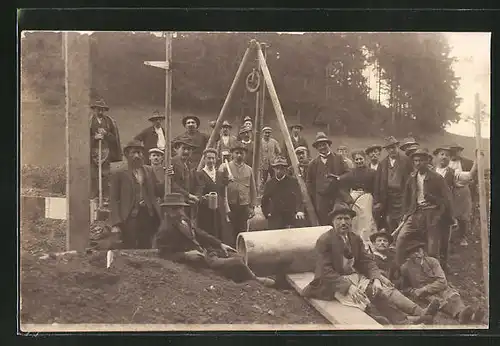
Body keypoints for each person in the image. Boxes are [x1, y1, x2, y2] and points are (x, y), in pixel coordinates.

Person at [302, 203, 440, 326]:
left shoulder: (354, 238)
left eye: (347, 219)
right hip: (330, 283)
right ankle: (384, 322)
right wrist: (348, 287)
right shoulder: (324, 240)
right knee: (362, 300)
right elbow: (325, 271)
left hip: (352, 277)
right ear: (332, 221)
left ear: (351, 221)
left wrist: (376, 278)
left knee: (376, 291)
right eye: (339, 219)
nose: (343, 222)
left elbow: (366, 261)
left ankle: (403, 322)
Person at [153, 193, 275, 287]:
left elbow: (200, 234)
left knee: (236, 255)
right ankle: (256, 280)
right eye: (175, 209)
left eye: (181, 208)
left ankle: (250, 276)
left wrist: (220, 244)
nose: (180, 211)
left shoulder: (184, 219)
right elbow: (164, 254)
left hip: (208, 252)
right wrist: (186, 255)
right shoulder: (165, 230)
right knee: (236, 263)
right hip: (200, 261)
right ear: (168, 210)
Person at [399, 241, 485, 325]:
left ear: (422, 252)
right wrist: (414, 292)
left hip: (440, 288)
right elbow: (405, 288)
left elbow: (442, 282)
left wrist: (425, 288)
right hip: (426, 295)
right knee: (439, 302)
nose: (417, 254)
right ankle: (466, 316)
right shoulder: (405, 268)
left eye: (418, 251)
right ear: (409, 255)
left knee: (452, 296)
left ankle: (468, 315)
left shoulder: (433, 262)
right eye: (413, 252)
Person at [395, 148, 454, 267]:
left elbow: (447, 200)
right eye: (415, 161)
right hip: (416, 213)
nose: (417, 163)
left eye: (421, 160)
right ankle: (399, 269)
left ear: (427, 161)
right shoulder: (412, 178)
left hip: (432, 213)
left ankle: (436, 273)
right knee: (401, 239)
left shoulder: (437, 178)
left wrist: (438, 209)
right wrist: (405, 215)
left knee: (432, 249)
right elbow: (406, 199)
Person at [109, 140, 162, 249]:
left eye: (140, 153)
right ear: (127, 154)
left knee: (146, 246)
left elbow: (159, 191)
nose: (137, 156)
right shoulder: (119, 173)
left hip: (148, 214)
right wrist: (116, 223)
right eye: (134, 152)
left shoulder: (148, 170)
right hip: (129, 218)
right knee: (130, 247)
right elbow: (113, 199)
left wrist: (168, 177)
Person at [306, 132, 350, 226]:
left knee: (339, 220)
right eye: (319, 145)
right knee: (324, 222)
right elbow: (309, 182)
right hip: (321, 199)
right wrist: (315, 196)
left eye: (324, 144)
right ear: (316, 148)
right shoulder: (313, 163)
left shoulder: (338, 158)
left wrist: (339, 178)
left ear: (328, 145)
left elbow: (348, 173)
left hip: (337, 196)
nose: (322, 147)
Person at [373, 136, 413, 234]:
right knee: (389, 221)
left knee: (402, 221)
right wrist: (377, 200)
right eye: (389, 148)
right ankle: (391, 243)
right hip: (388, 198)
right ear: (386, 150)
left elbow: (411, 180)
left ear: (397, 146)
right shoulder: (383, 163)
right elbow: (377, 183)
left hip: (402, 196)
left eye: (393, 147)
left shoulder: (406, 160)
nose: (392, 150)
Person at [338, 150, 377, 247]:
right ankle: (356, 243)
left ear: (365, 159)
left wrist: (376, 201)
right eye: (356, 160)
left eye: (361, 159)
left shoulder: (372, 172)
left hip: (367, 196)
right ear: (353, 161)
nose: (359, 161)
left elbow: (377, 188)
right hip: (354, 197)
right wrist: (348, 199)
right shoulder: (351, 173)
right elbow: (341, 186)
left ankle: (368, 243)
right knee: (355, 220)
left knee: (367, 220)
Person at [195, 148, 231, 242]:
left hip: (219, 208)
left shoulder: (220, 174)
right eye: (209, 158)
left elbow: (223, 191)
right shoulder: (199, 174)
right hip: (205, 209)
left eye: (213, 158)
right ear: (204, 159)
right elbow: (197, 192)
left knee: (219, 229)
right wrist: (203, 198)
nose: (211, 161)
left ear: (216, 160)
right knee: (207, 230)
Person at [89, 99, 122, 201]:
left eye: (102, 110)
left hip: (105, 153)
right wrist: (94, 138)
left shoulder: (109, 122)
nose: (100, 112)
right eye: (98, 110)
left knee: (106, 175)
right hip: (92, 153)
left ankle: (105, 197)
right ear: (94, 110)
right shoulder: (89, 122)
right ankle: (94, 197)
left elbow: (114, 139)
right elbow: (83, 138)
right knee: (93, 175)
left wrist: (106, 134)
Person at [226, 142, 257, 244]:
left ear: (245, 155)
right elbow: (221, 188)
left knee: (243, 229)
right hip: (230, 204)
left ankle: (241, 249)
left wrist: (252, 207)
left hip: (244, 204)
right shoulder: (225, 167)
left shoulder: (249, 169)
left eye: (242, 153)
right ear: (232, 154)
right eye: (237, 153)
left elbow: (252, 189)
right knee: (230, 229)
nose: (239, 155)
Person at [261, 157, 305, 229]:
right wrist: (267, 213)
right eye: (277, 168)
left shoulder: (292, 181)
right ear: (274, 169)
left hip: (290, 216)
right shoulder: (270, 183)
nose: (279, 171)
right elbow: (264, 201)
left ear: (286, 169)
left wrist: (299, 211)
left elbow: (299, 197)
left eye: (282, 168)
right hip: (275, 216)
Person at [448, 144, 477, 246]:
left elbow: (472, 176)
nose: (455, 153)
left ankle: (463, 237)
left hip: (463, 192)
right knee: (450, 214)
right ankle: (449, 237)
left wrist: (472, 183)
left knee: (463, 216)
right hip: (450, 192)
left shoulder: (467, 162)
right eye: (453, 151)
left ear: (460, 152)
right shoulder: (446, 163)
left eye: (457, 151)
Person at [169, 137, 200, 220]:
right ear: (176, 149)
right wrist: (188, 195)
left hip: (187, 204)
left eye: (189, 149)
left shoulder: (189, 165)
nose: (186, 152)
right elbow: (171, 184)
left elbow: (196, 183)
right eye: (184, 148)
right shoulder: (171, 163)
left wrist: (196, 195)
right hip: (175, 205)